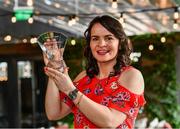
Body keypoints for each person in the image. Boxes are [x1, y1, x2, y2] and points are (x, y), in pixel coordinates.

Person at [43, 15, 146, 129]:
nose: (101, 44)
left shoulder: (131, 75)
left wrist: (70, 89)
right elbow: (54, 113)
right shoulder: (83, 77)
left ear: (120, 43)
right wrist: (54, 69)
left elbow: (110, 122)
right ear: (90, 44)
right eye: (95, 38)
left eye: (109, 38)